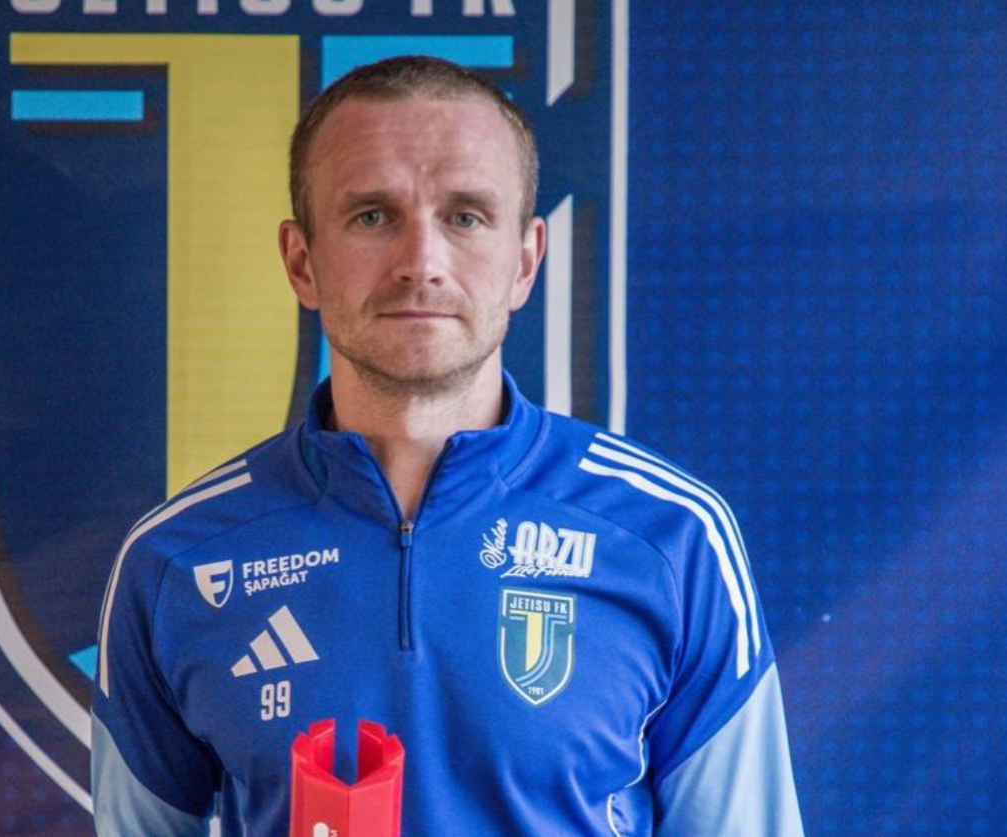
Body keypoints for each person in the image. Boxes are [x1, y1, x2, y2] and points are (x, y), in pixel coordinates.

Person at [91, 56, 805, 836]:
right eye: (373, 216)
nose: (421, 264)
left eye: (465, 217)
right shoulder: (175, 561)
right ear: (302, 261)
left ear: (525, 260)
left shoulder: (670, 538)